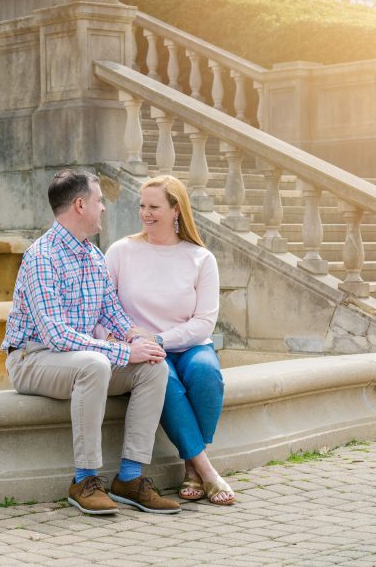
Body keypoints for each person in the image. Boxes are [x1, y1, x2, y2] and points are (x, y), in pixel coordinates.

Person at [2, 169, 180, 516]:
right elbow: (55, 335)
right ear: (80, 205)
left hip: (80, 362)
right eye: (99, 201)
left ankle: (130, 478)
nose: (104, 209)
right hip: (32, 359)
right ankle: (84, 480)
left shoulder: (94, 257)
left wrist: (143, 342)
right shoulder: (42, 257)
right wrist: (122, 350)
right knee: (95, 364)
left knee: (152, 369)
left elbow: (114, 316)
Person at [103, 175, 235, 506]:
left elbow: (205, 322)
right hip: (144, 351)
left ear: (176, 210)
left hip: (189, 345)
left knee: (207, 374)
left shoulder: (201, 258)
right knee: (167, 383)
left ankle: (191, 467)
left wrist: (161, 338)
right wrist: (135, 342)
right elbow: (102, 308)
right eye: (142, 206)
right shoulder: (121, 252)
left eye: (154, 207)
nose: (145, 214)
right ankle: (205, 471)